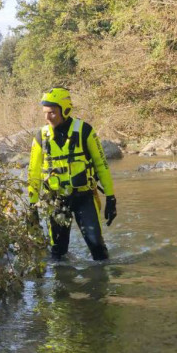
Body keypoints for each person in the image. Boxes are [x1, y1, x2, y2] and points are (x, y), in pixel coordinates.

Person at [27, 87, 117, 261]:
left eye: (52, 112)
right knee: (57, 254)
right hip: (55, 200)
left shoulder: (85, 131)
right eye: (45, 113)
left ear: (65, 110)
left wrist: (111, 198)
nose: (47, 117)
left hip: (84, 197)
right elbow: (33, 172)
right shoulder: (40, 137)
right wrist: (32, 205)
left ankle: (102, 284)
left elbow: (102, 165)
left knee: (98, 249)